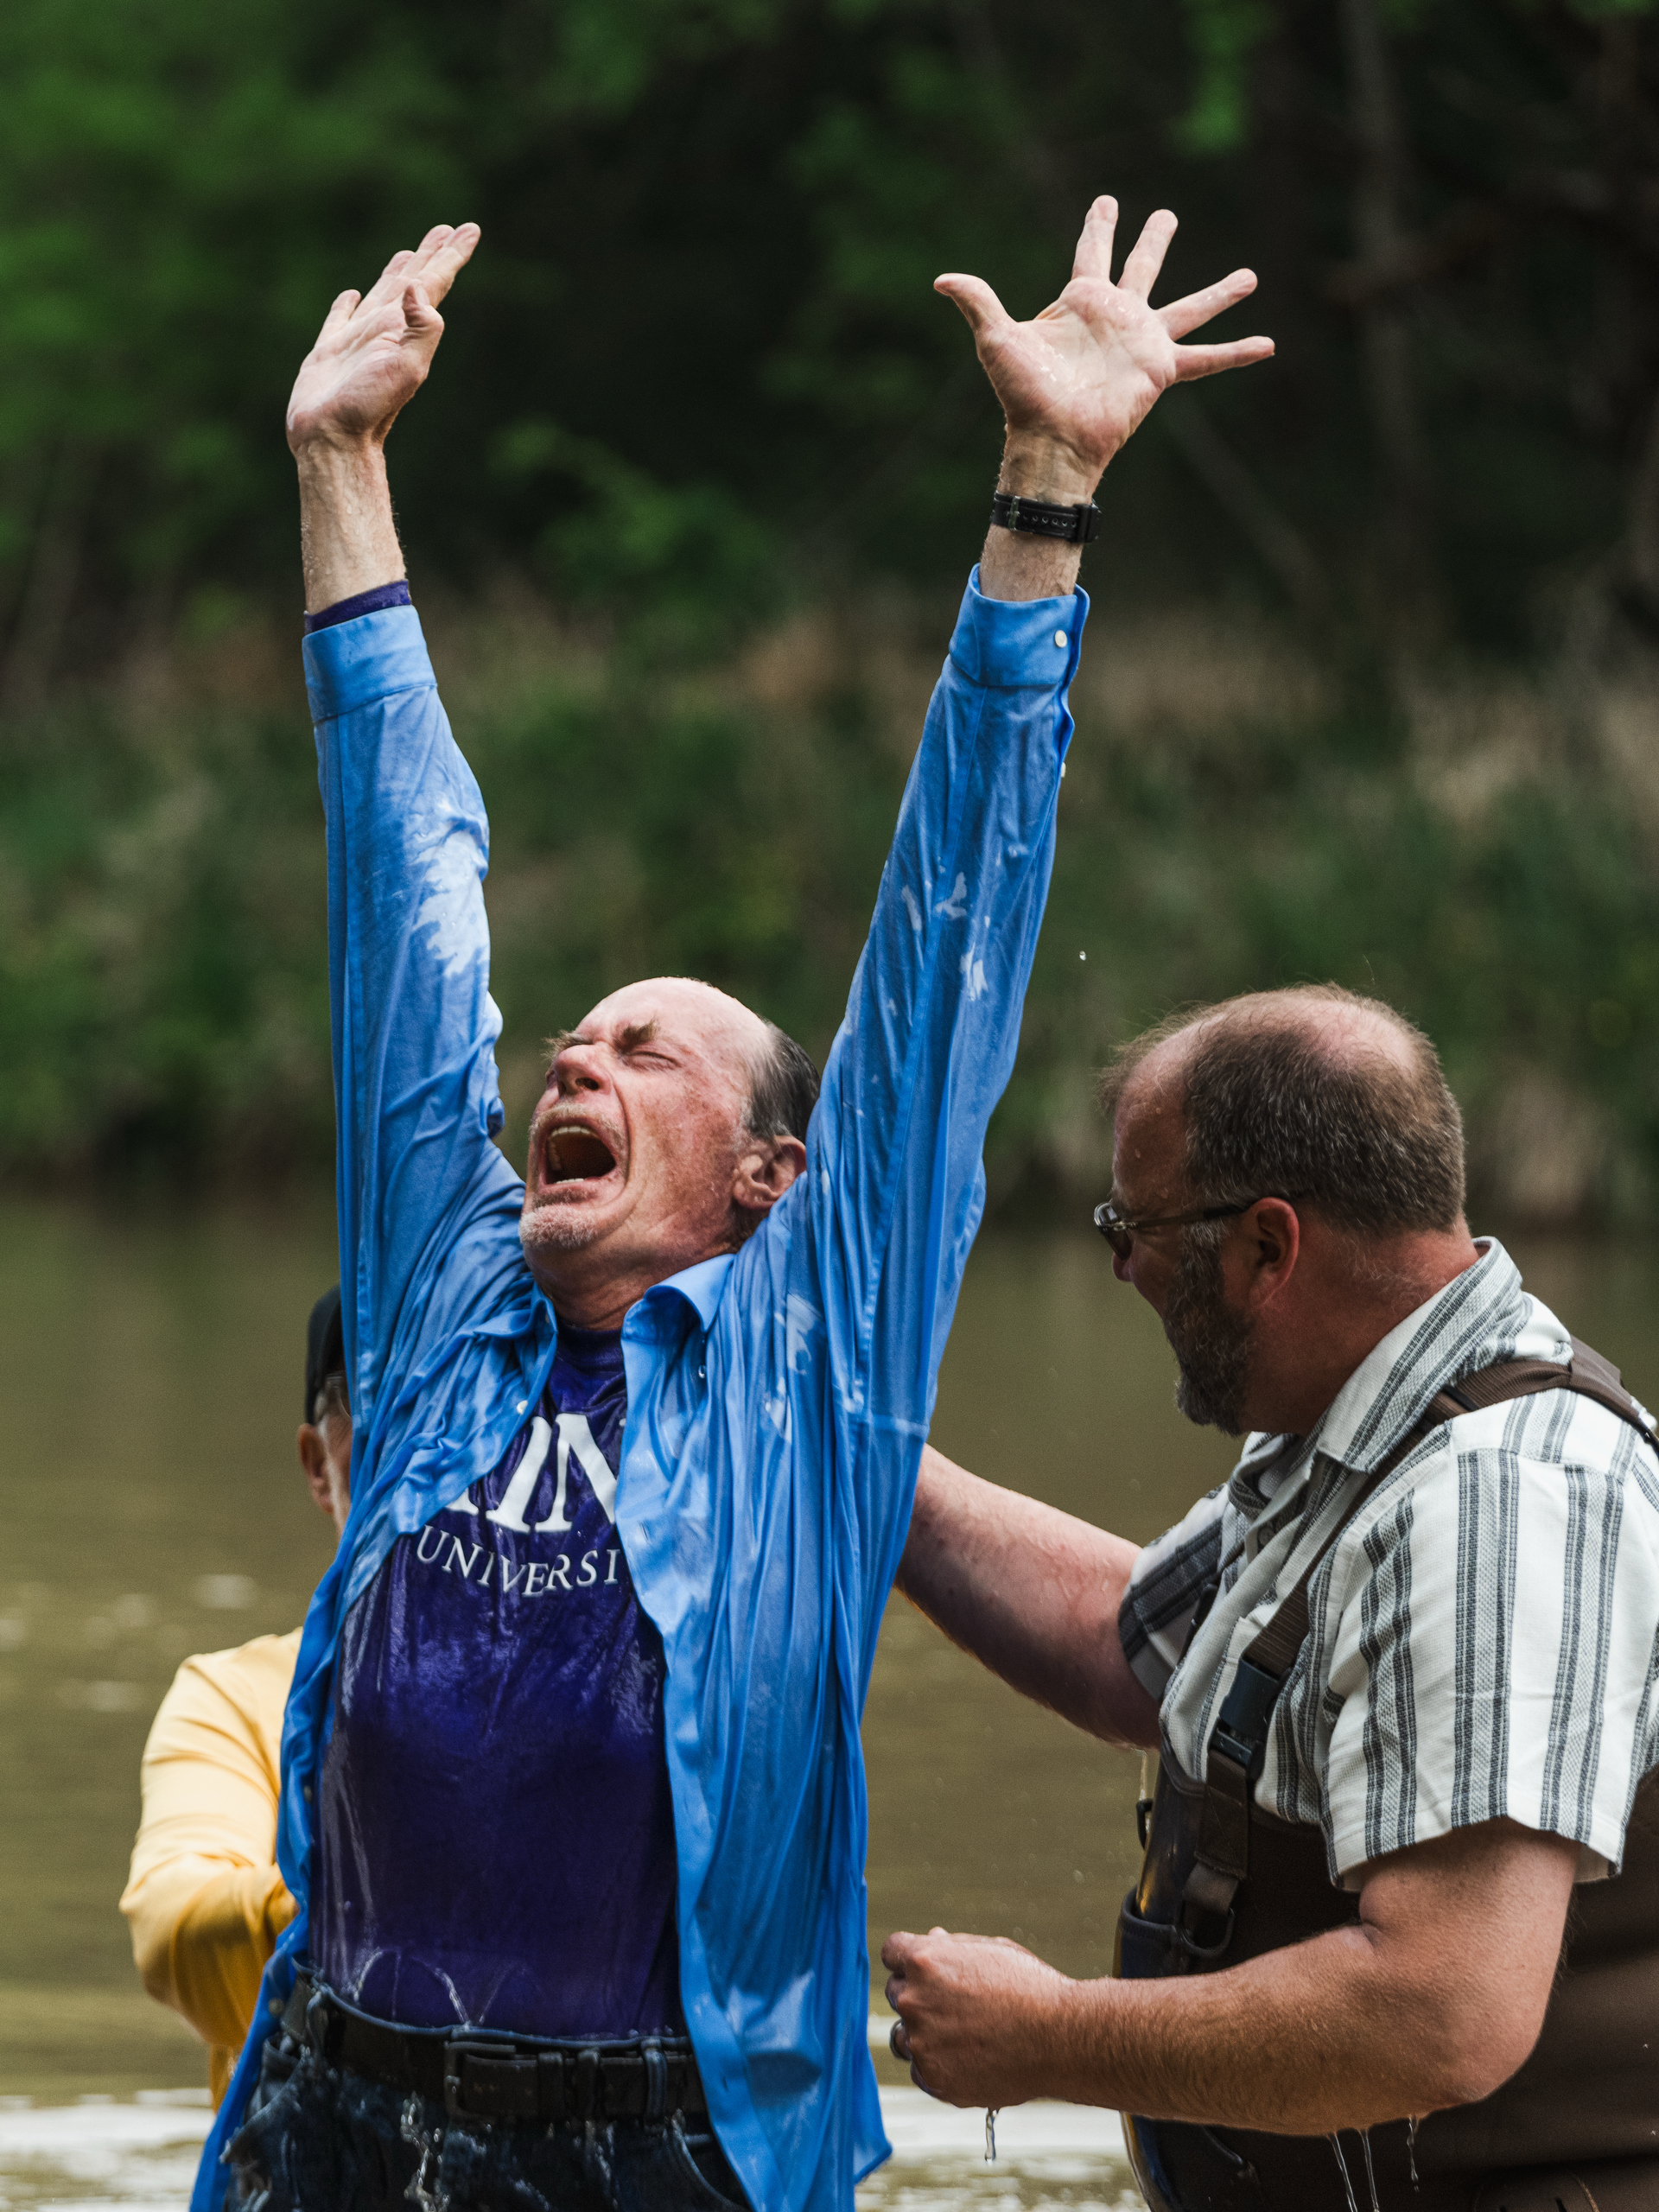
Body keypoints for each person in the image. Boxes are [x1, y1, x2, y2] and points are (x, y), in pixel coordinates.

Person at [190, 201, 1273, 2212]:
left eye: (646, 1053)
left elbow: (953, 932)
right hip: (335, 2125)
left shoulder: (811, 1353)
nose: (572, 1069)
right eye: (571, 1048)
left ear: (773, 1179)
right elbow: (400, 905)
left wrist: (1045, 491)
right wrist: (342, 472)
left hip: (664, 2154)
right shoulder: (442, 1306)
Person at [887, 985, 1659, 2212]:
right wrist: (858, 1463)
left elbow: (1442, 2014)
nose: (1125, 1266)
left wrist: (1048, 2036)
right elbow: (1123, 1644)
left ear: (1267, 1247)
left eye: (1131, 1230)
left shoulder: (1501, 1500)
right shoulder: (1359, 1427)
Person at [121, 1290, 353, 2106]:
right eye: (376, 1395)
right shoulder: (234, 1697)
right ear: (317, 1464)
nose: (418, 1436)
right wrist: (368, 1875)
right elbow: (172, 1934)